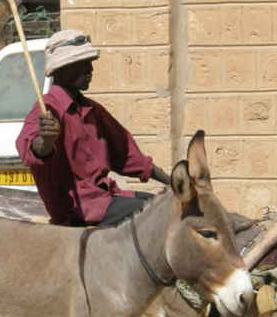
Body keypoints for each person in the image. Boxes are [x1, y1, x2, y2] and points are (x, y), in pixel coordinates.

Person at [16, 29, 171, 227]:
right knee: (160, 215)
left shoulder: (92, 110)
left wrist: (171, 182)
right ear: (62, 68)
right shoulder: (48, 107)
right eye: (81, 64)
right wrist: (46, 141)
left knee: (167, 204)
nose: (90, 69)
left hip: (106, 197)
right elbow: (31, 149)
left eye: (89, 62)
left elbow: (126, 154)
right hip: (78, 209)